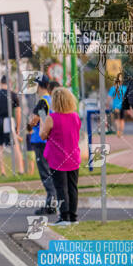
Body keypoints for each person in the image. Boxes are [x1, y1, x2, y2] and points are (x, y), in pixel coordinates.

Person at [40, 87, 81, 226]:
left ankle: (64, 217)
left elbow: (43, 135)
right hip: (73, 157)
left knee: (61, 188)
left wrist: (42, 121)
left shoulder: (52, 118)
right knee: (72, 187)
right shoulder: (75, 117)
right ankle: (73, 217)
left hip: (58, 159)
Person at [27, 74, 57, 215]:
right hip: (50, 140)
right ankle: (53, 201)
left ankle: (51, 203)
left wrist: (31, 123)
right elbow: (47, 119)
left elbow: (35, 120)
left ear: (39, 86)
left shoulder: (42, 101)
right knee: (51, 172)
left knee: (45, 173)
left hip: (40, 141)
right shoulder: (51, 100)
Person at [0, 76, 24, 175]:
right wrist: (18, 128)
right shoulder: (13, 95)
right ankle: (20, 170)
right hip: (8, 122)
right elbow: (18, 112)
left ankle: (3, 171)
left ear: (0, 83)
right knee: (14, 146)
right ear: (9, 83)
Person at [108, 73, 127, 137]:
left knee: (116, 119)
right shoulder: (124, 88)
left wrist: (107, 104)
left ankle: (118, 131)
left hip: (115, 106)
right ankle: (121, 132)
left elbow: (109, 98)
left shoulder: (113, 88)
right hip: (123, 106)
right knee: (122, 119)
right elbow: (127, 97)